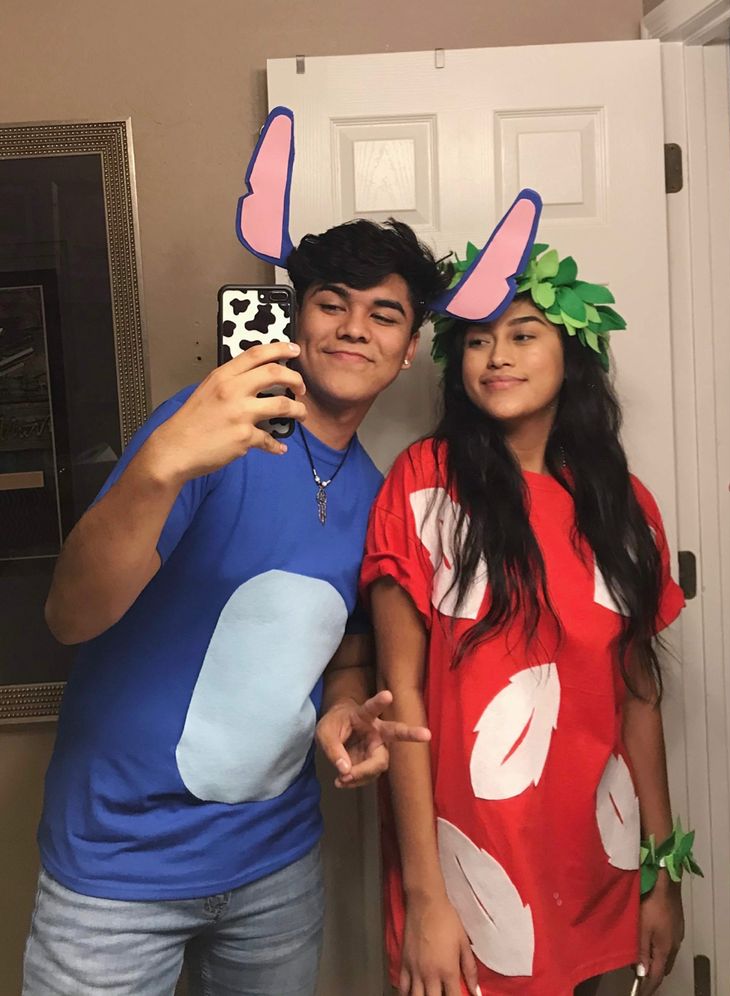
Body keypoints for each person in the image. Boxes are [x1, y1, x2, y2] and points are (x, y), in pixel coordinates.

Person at [22, 216, 445, 996]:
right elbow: (69, 618)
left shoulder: (379, 497)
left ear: (409, 347)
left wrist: (345, 706)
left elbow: (345, 650)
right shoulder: (201, 437)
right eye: (331, 303)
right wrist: (160, 467)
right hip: (116, 871)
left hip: (274, 870)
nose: (354, 328)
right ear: (294, 318)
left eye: (384, 314)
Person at [361, 241, 693, 996]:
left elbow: (638, 697)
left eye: (521, 334)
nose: (495, 356)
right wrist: (423, 897)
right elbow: (398, 698)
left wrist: (660, 873)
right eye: (476, 339)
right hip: (468, 878)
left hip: (598, 862)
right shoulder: (423, 484)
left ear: (569, 353)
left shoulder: (623, 506)